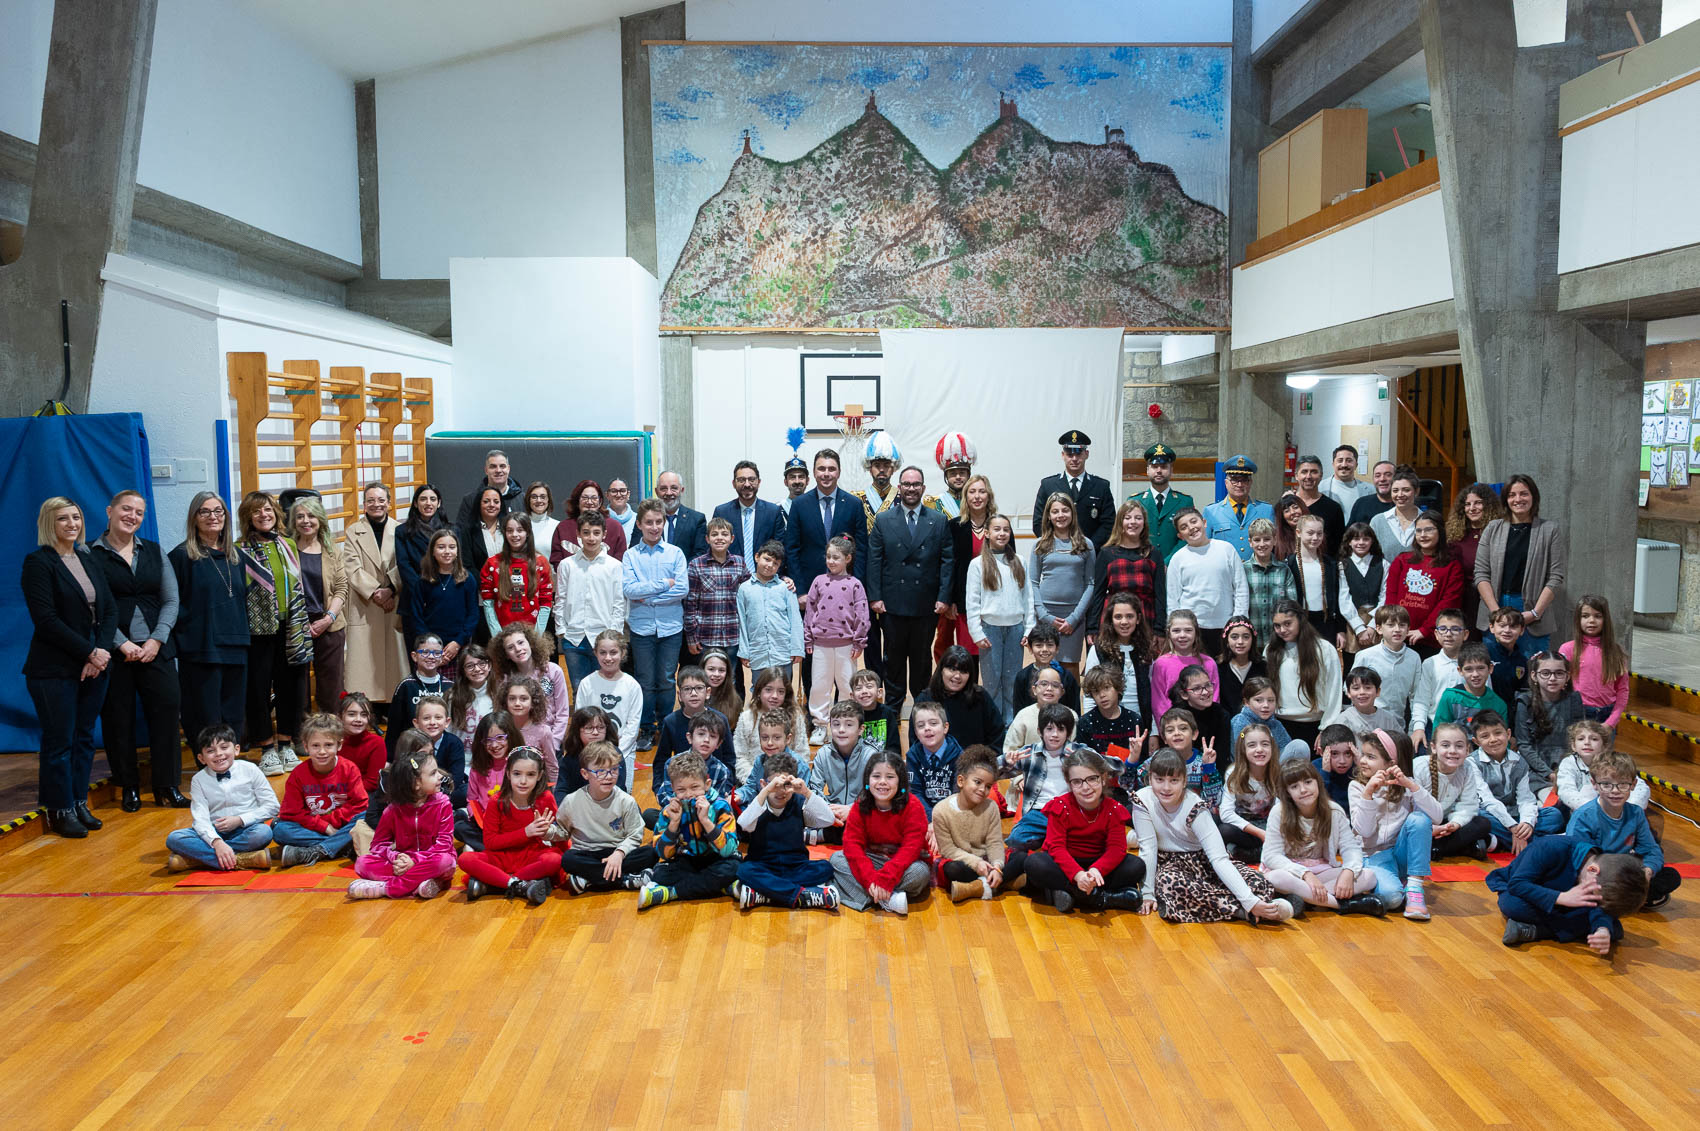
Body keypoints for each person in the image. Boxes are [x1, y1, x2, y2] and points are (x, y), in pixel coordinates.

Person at [24, 495, 118, 838]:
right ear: (49, 523)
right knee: (59, 741)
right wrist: (89, 653)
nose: (72, 524)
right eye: (63, 518)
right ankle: (59, 808)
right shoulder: (39, 563)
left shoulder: (87, 557)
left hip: (95, 664)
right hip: (54, 668)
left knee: (83, 738)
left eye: (76, 517)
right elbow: (46, 620)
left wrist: (101, 652)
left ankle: (78, 802)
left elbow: (109, 610)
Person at [90, 490, 185, 812]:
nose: (132, 516)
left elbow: (171, 600)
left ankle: (167, 785)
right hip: (114, 652)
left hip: (156, 648)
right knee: (118, 719)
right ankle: (128, 786)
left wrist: (157, 639)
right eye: (126, 509)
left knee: (167, 714)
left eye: (139, 512)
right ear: (110, 511)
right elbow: (94, 607)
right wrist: (121, 643)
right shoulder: (91, 554)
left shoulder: (154, 551)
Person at [1132, 746, 1293, 923]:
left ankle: (1257, 905)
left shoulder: (1195, 807)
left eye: (1174, 780)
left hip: (1203, 862)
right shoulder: (1142, 800)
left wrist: (1248, 899)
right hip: (1170, 866)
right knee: (1168, 883)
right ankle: (1250, 911)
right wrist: (1147, 893)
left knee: (1255, 880)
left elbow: (1218, 859)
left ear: (1184, 781)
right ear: (1150, 779)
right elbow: (1148, 848)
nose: (1166, 787)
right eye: (1159, 779)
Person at [235, 491, 311, 775]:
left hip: (290, 627)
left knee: (290, 687)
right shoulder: (239, 549)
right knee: (257, 690)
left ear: (276, 513)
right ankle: (267, 748)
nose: (263, 515)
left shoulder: (287, 544)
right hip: (257, 631)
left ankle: (286, 743)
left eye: (267, 509)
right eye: (256, 511)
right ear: (248, 517)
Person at [784, 447, 871, 692]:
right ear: (814, 472)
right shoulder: (799, 505)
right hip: (812, 595)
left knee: (843, 659)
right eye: (821, 468)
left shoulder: (853, 504)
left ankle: (842, 707)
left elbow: (861, 549)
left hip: (845, 595)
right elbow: (792, 549)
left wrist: (856, 588)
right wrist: (801, 591)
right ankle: (814, 709)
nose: (826, 473)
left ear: (839, 472)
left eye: (831, 469)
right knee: (814, 656)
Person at [169, 492, 250, 753]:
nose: (212, 516)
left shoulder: (236, 556)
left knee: (233, 712)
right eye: (204, 511)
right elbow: (172, 604)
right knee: (205, 715)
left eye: (218, 511)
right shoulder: (181, 556)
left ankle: (229, 763)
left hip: (236, 646)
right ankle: (208, 764)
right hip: (201, 649)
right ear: (194, 518)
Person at [870, 466, 954, 706]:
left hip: (925, 604)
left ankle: (922, 706)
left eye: (916, 484)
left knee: (921, 660)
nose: (911, 488)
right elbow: (874, 561)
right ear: (899, 487)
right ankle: (893, 708)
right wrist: (875, 596)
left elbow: (947, 561)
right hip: (892, 604)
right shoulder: (883, 520)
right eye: (906, 484)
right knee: (893, 661)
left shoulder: (938, 520)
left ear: (923, 488)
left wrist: (944, 597)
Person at [1026, 750, 1144, 913]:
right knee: (1034, 863)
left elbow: (1116, 849)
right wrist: (1078, 875)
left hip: (1098, 866)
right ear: (1069, 784)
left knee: (1136, 865)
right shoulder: (1061, 806)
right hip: (1067, 865)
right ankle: (1102, 898)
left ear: (1103, 778)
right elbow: (1056, 847)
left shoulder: (1113, 809)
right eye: (1077, 782)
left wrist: (1096, 871)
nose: (1086, 787)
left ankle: (1070, 894)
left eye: (1092, 779)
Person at [1261, 758, 1383, 914]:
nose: (1303, 790)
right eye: (1294, 786)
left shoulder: (1334, 811)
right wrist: (1305, 874)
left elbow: (1350, 847)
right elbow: (1271, 856)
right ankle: (1345, 905)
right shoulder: (1279, 812)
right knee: (1275, 878)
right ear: (1288, 793)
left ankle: (1306, 899)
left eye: (1308, 782)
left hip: (1321, 871)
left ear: (1317, 782)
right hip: (1291, 872)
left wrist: (1349, 871)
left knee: (1369, 876)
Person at [1489, 835, 1647, 954]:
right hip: (1526, 893)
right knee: (1513, 905)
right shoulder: (1550, 847)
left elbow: (1596, 905)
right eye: (1593, 892)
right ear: (1593, 870)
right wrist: (1561, 898)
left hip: (1564, 907)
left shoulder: (1599, 874)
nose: (1594, 896)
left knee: (1610, 928)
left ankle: (1536, 931)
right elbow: (1517, 884)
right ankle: (1541, 931)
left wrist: (1602, 929)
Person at [1564, 750, 1681, 910]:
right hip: (1595, 874)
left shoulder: (1635, 813)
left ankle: (1621, 899)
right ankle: (1628, 899)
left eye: (1623, 784)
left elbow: (1651, 850)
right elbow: (1579, 861)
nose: (1615, 790)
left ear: (1633, 785)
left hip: (1622, 870)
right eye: (1606, 784)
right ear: (1594, 784)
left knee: (1670, 876)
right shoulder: (1583, 816)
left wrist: (1647, 871)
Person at [623, 498, 691, 750]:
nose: (654, 527)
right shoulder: (630, 556)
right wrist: (664, 584)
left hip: (670, 627)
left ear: (664, 523)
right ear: (639, 524)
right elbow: (630, 590)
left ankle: (666, 725)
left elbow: (682, 589)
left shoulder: (675, 553)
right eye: (649, 522)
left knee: (666, 679)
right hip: (641, 628)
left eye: (658, 522)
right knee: (645, 680)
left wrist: (648, 596)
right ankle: (646, 727)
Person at [1350, 728, 1439, 918]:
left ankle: (1414, 887)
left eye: (1370, 757)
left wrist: (1412, 786)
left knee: (1420, 819)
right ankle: (1398, 885)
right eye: (1363, 755)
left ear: (1391, 763)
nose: (1362, 760)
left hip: (1401, 853)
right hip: (1374, 856)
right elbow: (1364, 831)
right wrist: (1368, 794)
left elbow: (1437, 816)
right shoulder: (1357, 786)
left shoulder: (1408, 785)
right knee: (1392, 899)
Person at [731, 755, 840, 911]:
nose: (780, 791)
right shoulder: (758, 804)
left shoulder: (798, 803)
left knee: (826, 867)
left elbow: (828, 819)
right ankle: (802, 895)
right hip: (763, 865)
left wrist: (806, 792)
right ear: (763, 784)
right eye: (775, 785)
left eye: (786, 785)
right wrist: (765, 791)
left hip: (795, 866)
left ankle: (766, 895)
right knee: (744, 870)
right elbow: (744, 824)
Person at [347, 745, 456, 900]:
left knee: (445, 861)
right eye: (433, 773)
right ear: (416, 783)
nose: (440, 776)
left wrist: (414, 861)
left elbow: (444, 845)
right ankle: (424, 884)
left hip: (430, 861)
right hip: (404, 863)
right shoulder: (393, 810)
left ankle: (387, 888)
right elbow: (378, 845)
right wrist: (396, 858)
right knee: (362, 863)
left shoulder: (443, 804)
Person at [830, 751, 932, 915]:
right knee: (836, 859)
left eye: (890, 777)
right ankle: (888, 900)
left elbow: (911, 849)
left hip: (906, 863)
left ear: (900, 781)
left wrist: (886, 878)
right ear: (868, 781)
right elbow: (852, 845)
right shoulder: (860, 805)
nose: (882, 782)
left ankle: (868, 896)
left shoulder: (913, 806)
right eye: (876, 776)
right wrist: (871, 879)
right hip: (874, 860)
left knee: (920, 873)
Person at [164, 724, 276, 871]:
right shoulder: (198, 779)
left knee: (263, 833)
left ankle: (199, 860)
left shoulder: (250, 769)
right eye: (210, 751)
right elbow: (200, 818)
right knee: (174, 838)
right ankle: (240, 860)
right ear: (201, 758)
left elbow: (272, 806)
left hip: (245, 829)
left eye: (224, 747)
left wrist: (240, 820)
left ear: (236, 749)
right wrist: (216, 841)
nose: (218, 754)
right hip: (213, 832)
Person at [553, 739, 659, 893]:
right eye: (601, 771)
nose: (609, 776)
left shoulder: (626, 801)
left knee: (651, 854)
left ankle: (590, 880)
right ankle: (625, 880)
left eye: (614, 770)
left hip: (617, 851)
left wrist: (619, 854)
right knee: (568, 859)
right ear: (585, 774)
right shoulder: (571, 801)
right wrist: (547, 831)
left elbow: (635, 834)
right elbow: (562, 832)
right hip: (587, 853)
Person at [459, 746, 561, 905]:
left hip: (532, 855)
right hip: (501, 856)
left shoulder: (545, 798)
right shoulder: (496, 801)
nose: (523, 781)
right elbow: (490, 842)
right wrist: (526, 832)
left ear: (540, 776)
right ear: (508, 774)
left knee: (554, 860)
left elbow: (559, 835)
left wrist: (550, 835)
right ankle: (520, 885)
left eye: (530, 774)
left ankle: (495, 884)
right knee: (465, 859)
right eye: (517, 774)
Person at [1474, 475, 1564, 652]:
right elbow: (1481, 573)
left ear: (1533, 497)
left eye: (1524, 494)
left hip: (1532, 611)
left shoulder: (1550, 530)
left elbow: (1555, 577)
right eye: (1511, 495)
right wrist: (1496, 613)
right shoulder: (1492, 528)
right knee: (1494, 665)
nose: (1518, 499)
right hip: (1495, 605)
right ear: (1505, 500)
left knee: (1533, 666)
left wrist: (1535, 613)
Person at [638, 751, 739, 908]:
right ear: (673, 789)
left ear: (707, 784)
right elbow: (663, 854)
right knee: (660, 874)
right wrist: (673, 824)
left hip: (717, 858)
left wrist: (706, 821)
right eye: (681, 790)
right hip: (687, 861)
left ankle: (671, 893)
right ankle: (722, 887)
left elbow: (728, 850)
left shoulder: (720, 806)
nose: (689, 795)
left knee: (733, 868)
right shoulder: (669, 811)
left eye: (695, 787)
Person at [340, 482, 405, 711]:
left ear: (389, 503)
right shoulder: (353, 531)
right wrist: (376, 591)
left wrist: (391, 589)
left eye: (380, 500)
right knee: (364, 662)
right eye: (370, 500)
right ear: (364, 504)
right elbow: (351, 567)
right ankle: (367, 709)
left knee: (393, 661)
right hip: (365, 603)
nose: (376, 504)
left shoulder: (400, 530)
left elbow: (404, 564)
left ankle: (391, 708)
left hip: (393, 600)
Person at [273, 712, 368, 865]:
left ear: (339, 745)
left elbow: (360, 805)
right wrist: (324, 827)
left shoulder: (349, 769)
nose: (322, 751)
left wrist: (330, 822)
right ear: (306, 746)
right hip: (315, 827)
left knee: (367, 816)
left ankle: (319, 850)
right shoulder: (298, 774)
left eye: (328, 745)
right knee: (280, 830)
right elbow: (291, 812)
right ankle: (343, 845)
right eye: (315, 745)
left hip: (344, 825)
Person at [966, 514, 1033, 726]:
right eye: (997, 529)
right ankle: (994, 725)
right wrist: (976, 632)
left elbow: (1028, 597)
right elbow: (972, 601)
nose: (1002, 533)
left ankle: (1010, 725)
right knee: (992, 682)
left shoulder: (1019, 561)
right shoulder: (977, 564)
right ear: (987, 533)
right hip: (990, 630)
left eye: (1006, 529)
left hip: (1015, 629)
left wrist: (1029, 628)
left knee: (1012, 680)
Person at [931, 745, 1020, 901]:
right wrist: (976, 863)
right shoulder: (941, 811)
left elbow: (994, 842)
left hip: (987, 861)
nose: (982, 789)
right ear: (961, 781)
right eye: (977, 782)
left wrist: (997, 867)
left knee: (1022, 858)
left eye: (988, 786)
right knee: (952, 869)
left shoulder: (991, 807)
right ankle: (1004, 883)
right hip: (964, 862)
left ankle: (978, 887)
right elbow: (949, 850)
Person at [803, 534, 869, 743]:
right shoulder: (819, 581)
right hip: (821, 644)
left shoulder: (855, 584)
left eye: (836, 557)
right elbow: (810, 611)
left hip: (846, 645)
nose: (831, 561)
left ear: (847, 559)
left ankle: (844, 725)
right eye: (828, 557)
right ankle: (820, 725)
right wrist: (808, 638)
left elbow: (862, 615)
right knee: (819, 686)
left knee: (847, 686)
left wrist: (859, 641)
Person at [285, 496, 348, 709]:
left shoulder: (332, 550)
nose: (306, 521)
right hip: (295, 626)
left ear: (320, 519)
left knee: (331, 686)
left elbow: (341, 588)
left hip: (329, 625)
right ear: (293, 521)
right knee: (297, 686)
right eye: (300, 516)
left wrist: (328, 618)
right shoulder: (287, 549)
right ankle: (301, 727)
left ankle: (331, 725)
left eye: (311, 516)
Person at [552, 513, 626, 690]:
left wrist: (614, 633)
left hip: (603, 637)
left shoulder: (614, 566)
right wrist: (561, 629)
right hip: (574, 637)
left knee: (605, 689)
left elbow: (618, 602)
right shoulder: (567, 565)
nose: (591, 538)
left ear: (604, 534)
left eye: (596, 533)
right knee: (579, 689)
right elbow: (560, 599)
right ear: (578, 534)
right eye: (586, 533)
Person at [1473, 708, 1562, 855]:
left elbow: (1526, 799)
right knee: (1477, 817)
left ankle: (1500, 842)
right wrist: (1512, 827)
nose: (1493, 739)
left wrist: (1527, 823)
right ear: (1476, 742)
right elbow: (1487, 801)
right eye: (1485, 736)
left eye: (1498, 733)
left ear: (1508, 734)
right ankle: (1538, 844)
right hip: (1490, 814)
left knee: (1554, 815)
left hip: (1514, 813)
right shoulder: (1472, 763)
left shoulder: (1519, 761)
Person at [1164, 508, 1248, 654]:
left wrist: (1239, 621)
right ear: (1180, 536)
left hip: (1226, 624)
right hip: (1192, 629)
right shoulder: (1178, 559)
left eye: (1194, 521)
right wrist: (1177, 629)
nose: (1191, 528)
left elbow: (1240, 587)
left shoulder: (1226, 549)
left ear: (1204, 522)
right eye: (1184, 527)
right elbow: (1173, 599)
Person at [1028, 492, 1095, 670]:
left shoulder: (1086, 544)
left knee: (1070, 667)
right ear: (1048, 516)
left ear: (1072, 513)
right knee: (1045, 665)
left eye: (1065, 510)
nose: (1060, 515)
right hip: (1046, 613)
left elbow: (1090, 584)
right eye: (1055, 511)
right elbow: (1032, 582)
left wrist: (1074, 618)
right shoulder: (1039, 545)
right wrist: (1044, 615)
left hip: (1074, 616)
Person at [1384, 510, 1466, 656]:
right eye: (1418, 531)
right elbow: (1391, 596)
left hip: (1431, 639)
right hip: (1399, 636)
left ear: (1440, 532)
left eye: (1429, 530)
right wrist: (1394, 627)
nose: (1423, 535)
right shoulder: (1402, 560)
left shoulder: (1452, 566)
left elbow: (1449, 602)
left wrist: (1425, 630)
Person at [403, 529, 480, 682]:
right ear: (432, 551)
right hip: (430, 649)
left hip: (458, 646)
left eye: (452, 547)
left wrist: (457, 643)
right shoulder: (423, 581)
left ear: (457, 551)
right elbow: (416, 616)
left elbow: (473, 615)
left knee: (459, 691)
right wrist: (432, 647)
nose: (447, 551)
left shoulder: (467, 579)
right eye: (441, 547)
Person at [1266, 600, 1342, 749]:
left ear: (1300, 620)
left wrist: (1327, 728)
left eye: (1288, 624)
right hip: (1280, 725)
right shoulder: (1270, 650)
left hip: (1315, 727)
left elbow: (1334, 690)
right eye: (1277, 626)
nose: (1282, 630)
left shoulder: (1324, 649)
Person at [1087, 500, 1166, 633]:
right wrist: (1092, 627)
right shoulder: (1107, 553)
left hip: (1146, 617)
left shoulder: (1154, 554)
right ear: (1120, 523)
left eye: (1138, 518)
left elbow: (1160, 595)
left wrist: (1160, 628)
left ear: (1144, 523)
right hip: (1114, 617)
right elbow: (1098, 594)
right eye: (1127, 518)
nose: (1133, 522)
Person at [936, 465, 989, 665]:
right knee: (967, 652)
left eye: (982, 491)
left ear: (989, 495)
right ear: (966, 497)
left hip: (992, 599)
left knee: (990, 652)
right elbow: (949, 565)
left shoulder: (998, 525)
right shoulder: (955, 526)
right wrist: (949, 599)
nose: (977, 496)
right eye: (972, 492)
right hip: (963, 600)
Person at [1415, 722, 1492, 858]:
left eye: (1459, 746)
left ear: (1467, 750)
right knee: (1415, 826)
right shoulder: (1419, 766)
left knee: (1483, 823)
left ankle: (1436, 849)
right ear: (1434, 747)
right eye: (1445, 745)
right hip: (1420, 824)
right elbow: (1409, 808)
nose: (1453, 751)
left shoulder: (1467, 768)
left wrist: (1455, 824)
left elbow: (1468, 805)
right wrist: (1430, 828)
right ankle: (1458, 848)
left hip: (1445, 823)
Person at [1031, 429, 1115, 548]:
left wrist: (1089, 546)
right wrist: (1056, 546)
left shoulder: (1101, 486)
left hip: (1091, 551)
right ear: (1063, 455)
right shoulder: (1048, 485)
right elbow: (1038, 522)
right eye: (1070, 455)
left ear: (1086, 454)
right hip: (1056, 551)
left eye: (1078, 454)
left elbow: (1109, 523)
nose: (1074, 459)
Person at [738, 538, 806, 678]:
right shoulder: (744, 589)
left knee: (783, 687)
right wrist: (744, 651)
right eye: (767, 559)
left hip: (783, 652)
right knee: (759, 688)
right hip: (758, 653)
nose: (770, 565)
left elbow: (795, 620)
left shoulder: (786, 588)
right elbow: (742, 622)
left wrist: (797, 649)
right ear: (757, 557)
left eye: (775, 563)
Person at [1559, 595, 1629, 728]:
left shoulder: (1616, 651)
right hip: (1578, 713)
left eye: (1598, 616)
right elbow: (1560, 686)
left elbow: (1622, 689)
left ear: (1605, 619)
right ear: (1578, 619)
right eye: (1585, 616)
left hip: (1607, 715)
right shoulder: (1567, 649)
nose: (1591, 620)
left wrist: (1611, 722)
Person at [480, 513, 554, 638]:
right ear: (504, 533)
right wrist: (498, 635)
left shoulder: (541, 563)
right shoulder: (492, 563)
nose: (514, 535)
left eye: (520, 530)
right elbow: (488, 603)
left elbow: (546, 603)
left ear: (528, 532)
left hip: (533, 635)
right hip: (502, 635)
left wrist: (536, 636)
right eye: (510, 530)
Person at [1446, 482, 1506, 629]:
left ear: (1489, 505)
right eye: (1467, 504)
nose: (1472, 508)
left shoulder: (1499, 532)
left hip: (1492, 596)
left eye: (1478, 503)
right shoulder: (1454, 535)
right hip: (1462, 598)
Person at [1517, 651, 1584, 782]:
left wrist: (1567, 770)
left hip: (1569, 766)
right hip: (1536, 770)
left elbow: (1579, 737)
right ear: (1534, 676)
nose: (1552, 678)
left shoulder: (1574, 699)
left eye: (1559, 673)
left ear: (1567, 676)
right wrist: (1548, 773)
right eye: (1545, 673)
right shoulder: (1525, 701)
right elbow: (1524, 745)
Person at [1410, 608, 1469, 749]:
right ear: (1436, 634)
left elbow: (1485, 697)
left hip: (1466, 727)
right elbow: (1421, 700)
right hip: (1433, 725)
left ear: (1465, 634)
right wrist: (1418, 728)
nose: (1448, 634)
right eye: (1443, 629)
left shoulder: (1473, 664)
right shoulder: (1430, 663)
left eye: (1455, 629)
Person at [712, 461, 787, 570]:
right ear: (733, 483)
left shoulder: (773, 512)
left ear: (759, 482)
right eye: (741, 480)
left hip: (765, 576)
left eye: (751, 480)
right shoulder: (722, 512)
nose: (747, 484)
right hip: (730, 575)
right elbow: (715, 548)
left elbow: (780, 549)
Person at [1353, 606, 1422, 726]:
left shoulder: (1414, 658)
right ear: (1379, 629)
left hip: (1397, 725)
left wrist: (1415, 728)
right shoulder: (1365, 656)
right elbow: (1350, 688)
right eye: (1391, 625)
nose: (1397, 630)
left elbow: (1416, 695)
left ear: (1408, 629)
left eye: (1402, 625)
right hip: (1366, 724)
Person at [1285, 514, 1345, 648]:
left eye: (1319, 533)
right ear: (1298, 533)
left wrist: (1340, 629)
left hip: (1326, 622)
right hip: (1300, 622)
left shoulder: (1330, 563)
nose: (1315, 537)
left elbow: (1337, 597)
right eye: (1310, 533)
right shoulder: (1289, 564)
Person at [1202, 455, 1274, 562]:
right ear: (1226, 483)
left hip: (1257, 570)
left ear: (1250, 483)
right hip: (1225, 569)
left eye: (1244, 480)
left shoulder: (1266, 510)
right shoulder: (1211, 512)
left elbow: (1275, 546)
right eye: (1234, 480)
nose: (1239, 485)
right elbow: (1204, 547)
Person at [1130, 442, 1193, 563]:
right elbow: (1130, 536)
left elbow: (1187, 537)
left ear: (1171, 470)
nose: (1159, 471)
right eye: (1154, 467)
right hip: (1142, 564)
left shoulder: (1185, 501)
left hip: (1175, 565)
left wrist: (1168, 562)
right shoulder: (1135, 501)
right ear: (1147, 470)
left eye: (1164, 467)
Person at [1432, 642, 1509, 737]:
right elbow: (1438, 733)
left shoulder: (1498, 704)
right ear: (1460, 670)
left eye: (1480, 668)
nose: (1475, 674)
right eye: (1468, 669)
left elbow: (1502, 738)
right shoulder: (1450, 698)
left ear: (1490, 668)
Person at [548, 479, 629, 566]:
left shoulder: (615, 527)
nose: (589, 502)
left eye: (594, 498)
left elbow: (620, 561)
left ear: (600, 502)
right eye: (585, 498)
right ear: (577, 501)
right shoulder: (563, 527)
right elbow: (557, 561)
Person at [1242, 517, 1294, 651]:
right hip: (1251, 641)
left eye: (1267, 539)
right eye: (1257, 540)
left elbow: (1292, 606)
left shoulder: (1284, 570)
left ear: (1275, 540)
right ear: (1250, 542)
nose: (1262, 544)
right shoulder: (1242, 570)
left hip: (1278, 640)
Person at [1338, 522, 1388, 655]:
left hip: (1378, 621)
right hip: (1353, 621)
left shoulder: (1383, 564)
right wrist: (1359, 628)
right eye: (1356, 539)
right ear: (1349, 542)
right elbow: (1344, 599)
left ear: (1372, 541)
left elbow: (1385, 595)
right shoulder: (1343, 565)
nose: (1361, 542)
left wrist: (1373, 625)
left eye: (1366, 539)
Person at [393, 481, 447, 604]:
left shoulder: (451, 530)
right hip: (416, 596)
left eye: (433, 499)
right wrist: (422, 591)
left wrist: (443, 589)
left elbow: (456, 563)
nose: (428, 503)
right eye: (423, 499)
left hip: (445, 593)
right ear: (415, 504)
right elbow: (404, 565)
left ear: (438, 503)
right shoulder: (402, 531)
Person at [1326, 667, 1405, 739]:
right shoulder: (1344, 720)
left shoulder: (1388, 718)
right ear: (1348, 693)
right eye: (1356, 688)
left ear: (1378, 691)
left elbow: (1402, 743)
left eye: (1368, 688)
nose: (1362, 692)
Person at [1291, 455, 1346, 557]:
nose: (1308, 476)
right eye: (1304, 472)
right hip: (1289, 565)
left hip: (1324, 564)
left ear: (1321, 476)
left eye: (1314, 472)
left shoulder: (1333, 508)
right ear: (1296, 476)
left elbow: (1339, 545)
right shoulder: (1286, 506)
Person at [454, 449, 522, 529]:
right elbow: (461, 532)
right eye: (493, 466)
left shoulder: (522, 499)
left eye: (502, 466)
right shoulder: (470, 500)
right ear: (486, 470)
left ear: (508, 469)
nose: (498, 470)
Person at [1368, 466, 1422, 562]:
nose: (1400, 495)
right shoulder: (1377, 521)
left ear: (1416, 491)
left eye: (1406, 490)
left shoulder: (1427, 521)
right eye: (1395, 490)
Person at [653, 470, 708, 562]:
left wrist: (680, 569)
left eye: (674, 488)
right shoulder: (646, 520)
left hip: (687, 570)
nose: (669, 493)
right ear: (656, 491)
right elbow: (637, 550)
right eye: (663, 488)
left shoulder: (697, 520)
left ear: (681, 490)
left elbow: (700, 554)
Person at [337, 692, 386, 791]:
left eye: (364, 715)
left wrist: (343, 792)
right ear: (340, 716)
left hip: (363, 793)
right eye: (351, 714)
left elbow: (372, 783)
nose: (358, 719)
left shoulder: (376, 743)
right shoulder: (333, 740)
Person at [1217, 615, 1264, 716]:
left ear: (1253, 639)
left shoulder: (1263, 667)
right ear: (1227, 640)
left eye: (1246, 637)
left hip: (1258, 723)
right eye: (1234, 637)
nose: (1240, 642)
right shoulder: (1218, 668)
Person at [461, 484, 506, 583]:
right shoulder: (468, 530)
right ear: (479, 504)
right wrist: (486, 583)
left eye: (496, 502)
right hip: (482, 586)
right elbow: (467, 564)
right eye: (486, 501)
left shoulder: (508, 528)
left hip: (509, 584)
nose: (492, 505)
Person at [851, 667, 902, 753]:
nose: (864, 691)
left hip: (884, 759)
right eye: (859, 688)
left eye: (869, 686)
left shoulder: (888, 713)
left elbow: (894, 746)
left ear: (879, 693)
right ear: (852, 696)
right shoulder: (851, 716)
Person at [1320, 444, 1374, 514]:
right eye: (1340, 460)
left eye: (1349, 461)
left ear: (1356, 465)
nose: (1344, 465)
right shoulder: (1320, 488)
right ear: (1333, 464)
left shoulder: (1371, 490)